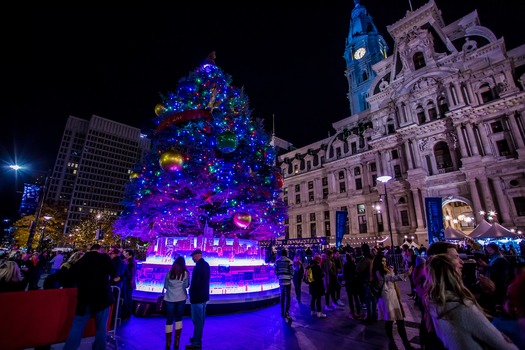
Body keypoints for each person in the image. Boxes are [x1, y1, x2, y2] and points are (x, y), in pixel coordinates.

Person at [424, 253, 518, 350]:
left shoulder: (435, 302)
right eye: (459, 268)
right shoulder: (461, 307)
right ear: (452, 273)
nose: (462, 262)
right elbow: (502, 344)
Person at [63, 243, 115, 350]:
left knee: (77, 326)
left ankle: (70, 347)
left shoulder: (81, 261)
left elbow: (71, 276)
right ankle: (99, 348)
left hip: (85, 297)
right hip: (102, 298)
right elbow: (113, 271)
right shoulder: (104, 258)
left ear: (90, 250)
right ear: (100, 250)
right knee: (101, 327)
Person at [373, 253, 414, 350]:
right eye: (382, 261)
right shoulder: (378, 271)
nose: (384, 263)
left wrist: (391, 271)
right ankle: (392, 343)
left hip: (393, 297)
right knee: (390, 321)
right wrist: (406, 274)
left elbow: (391, 278)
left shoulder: (385, 270)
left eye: (385, 261)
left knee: (400, 321)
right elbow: (391, 279)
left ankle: (405, 344)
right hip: (387, 298)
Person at [186, 249, 210, 350]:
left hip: (197, 297)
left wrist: (191, 293)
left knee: (197, 320)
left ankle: (197, 343)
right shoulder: (206, 265)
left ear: (197, 255)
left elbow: (195, 283)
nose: (192, 259)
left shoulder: (198, 267)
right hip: (204, 296)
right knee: (201, 319)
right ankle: (196, 337)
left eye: (193, 257)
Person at [163, 255, 189, 350]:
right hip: (181, 299)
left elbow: (165, 286)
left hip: (169, 299)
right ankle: (177, 340)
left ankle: (168, 341)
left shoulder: (169, 273)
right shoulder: (185, 274)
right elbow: (186, 286)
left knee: (169, 320)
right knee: (178, 319)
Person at [275, 249, 294, 320]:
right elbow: (292, 270)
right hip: (288, 281)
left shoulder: (277, 261)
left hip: (281, 280)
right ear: (286, 253)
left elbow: (275, 271)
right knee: (288, 296)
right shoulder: (289, 261)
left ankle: (282, 311)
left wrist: (278, 277)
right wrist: (290, 277)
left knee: (282, 296)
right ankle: (287, 312)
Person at [343, 252, 361, 319]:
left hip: (349, 283)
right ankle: (358, 312)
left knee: (350, 299)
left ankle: (352, 313)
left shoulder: (345, 265)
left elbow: (344, 276)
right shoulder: (354, 264)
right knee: (356, 298)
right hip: (355, 283)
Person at [121, 249, 137, 320]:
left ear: (130, 255)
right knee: (128, 298)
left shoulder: (130, 263)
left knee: (127, 298)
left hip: (128, 283)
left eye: (127, 254)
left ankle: (126, 314)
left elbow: (131, 274)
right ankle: (127, 313)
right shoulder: (132, 262)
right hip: (130, 283)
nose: (126, 255)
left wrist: (130, 281)